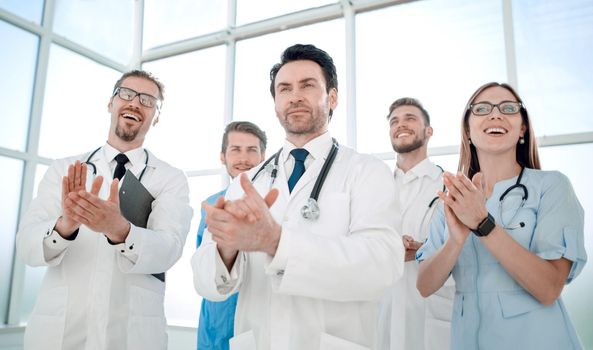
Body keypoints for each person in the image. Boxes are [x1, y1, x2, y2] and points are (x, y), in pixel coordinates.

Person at [192, 44, 404, 349]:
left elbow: (382, 265)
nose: (295, 96)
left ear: (332, 97)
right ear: (276, 103)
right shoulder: (247, 182)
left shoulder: (367, 172)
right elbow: (205, 283)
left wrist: (276, 243)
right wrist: (226, 250)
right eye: (284, 89)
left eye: (308, 85)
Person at [16, 70, 193, 350]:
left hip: (131, 334)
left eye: (148, 100)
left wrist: (119, 229)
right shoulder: (65, 169)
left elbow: (169, 249)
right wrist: (66, 225)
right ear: (110, 103)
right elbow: (26, 245)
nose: (135, 103)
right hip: (62, 332)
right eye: (126, 94)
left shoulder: (170, 179)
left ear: (156, 116)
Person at [416, 82, 587, 349]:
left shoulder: (552, 187)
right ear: (468, 130)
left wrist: (483, 224)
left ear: (522, 129)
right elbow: (425, 285)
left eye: (508, 108)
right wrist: (455, 241)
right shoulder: (455, 197)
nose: (495, 115)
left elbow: (549, 288)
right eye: (482, 108)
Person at [378, 98, 454, 350]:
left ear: (428, 131)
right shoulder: (375, 187)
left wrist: (425, 249)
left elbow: (466, 250)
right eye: (394, 121)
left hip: (429, 313)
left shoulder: (449, 187)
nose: (401, 125)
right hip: (382, 309)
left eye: (410, 118)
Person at [196, 121, 267, 350]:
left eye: (251, 150)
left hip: (259, 320)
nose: (243, 159)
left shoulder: (273, 204)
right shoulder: (210, 205)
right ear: (222, 156)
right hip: (215, 324)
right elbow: (204, 267)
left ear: (263, 156)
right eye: (235, 150)